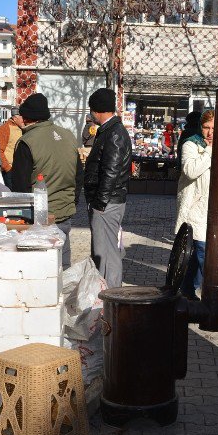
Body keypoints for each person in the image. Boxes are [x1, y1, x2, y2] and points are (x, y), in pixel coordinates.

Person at [12, 93, 78, 268]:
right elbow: (79, 174)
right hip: (64, 211)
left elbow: (19, 186)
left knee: (41, 269)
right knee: (62, 266)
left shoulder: (27, 141)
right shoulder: (68, 135)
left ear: (26, 118)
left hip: (39, 218)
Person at [84, 88, 132, 288]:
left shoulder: (113, 133)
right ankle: (107, 294)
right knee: (105, 250)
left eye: (92, 110)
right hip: (108, 201)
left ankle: (110, 295)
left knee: (107, 252)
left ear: (97, 110)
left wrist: (100, 203)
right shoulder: (112, 130)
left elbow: (111, 171)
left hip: (107, 203)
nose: (91, 114)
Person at [175, 110, 214, 300]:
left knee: (202, 255)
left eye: (214, 128)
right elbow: (190, 171)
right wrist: (208, 151)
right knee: (198, 253)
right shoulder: (191, 144)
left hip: (213, 210)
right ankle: (193, 292)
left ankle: (192, 291)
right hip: (195, 208)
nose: (210, 133)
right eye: (206, 127)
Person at [0, 107, 24, 189]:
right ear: (15, 118)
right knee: (12, 195)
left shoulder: (23, 128)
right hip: (10, 170)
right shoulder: (4, 129)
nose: (25, 120)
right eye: (22, 117)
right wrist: (7, 168)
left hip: (21, 169)